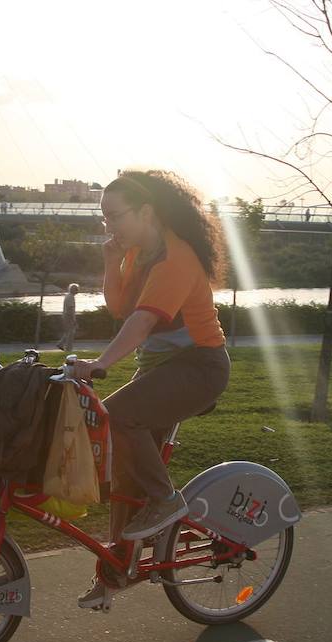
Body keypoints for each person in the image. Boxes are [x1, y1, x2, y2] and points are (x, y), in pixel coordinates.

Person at [71, 169, 230, 609]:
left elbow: (142, 323)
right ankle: (115, 572)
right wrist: (110, 261)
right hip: (159, 369)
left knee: (116, 416)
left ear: (145, 212)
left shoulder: (177, 258)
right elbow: (121, 308)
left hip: (199, 367)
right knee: (125, 473)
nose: (109, 225)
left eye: (114, 216)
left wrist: (101, 365)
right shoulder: (139, 253)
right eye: (103, 217)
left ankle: (166, 500)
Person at [56, 283, 80, 352]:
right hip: (68, 316)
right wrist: (74, 319)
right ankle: (68, 349)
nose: (77, 291)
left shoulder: (68, 296)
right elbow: (71, 309)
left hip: (66, 316)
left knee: (68, 332)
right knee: (70, 334)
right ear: (74, 290)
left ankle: (60, 344)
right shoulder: (71, 297)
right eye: (77, 289)